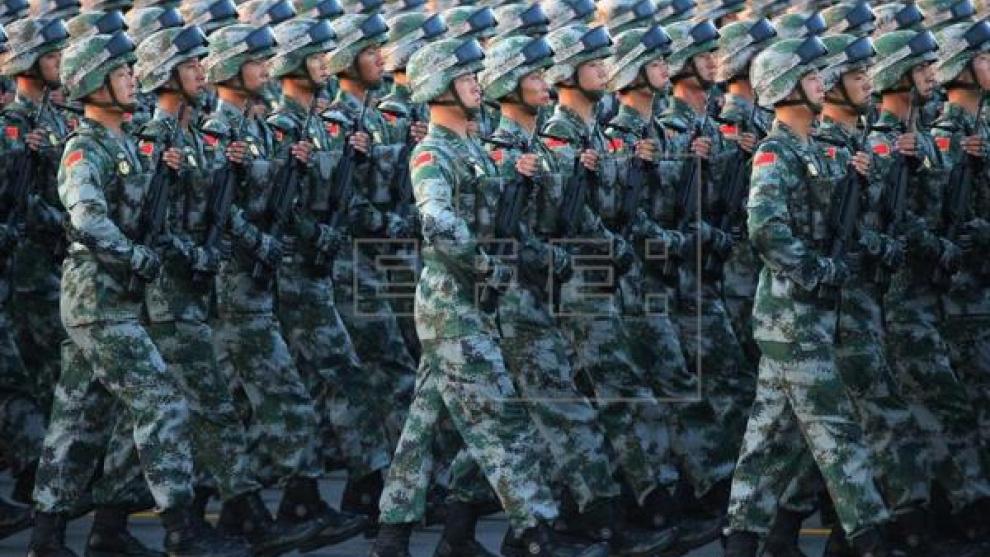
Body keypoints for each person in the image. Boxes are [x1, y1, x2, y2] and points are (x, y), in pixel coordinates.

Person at [370, 36, 609, 557]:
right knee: (502, 418)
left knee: (425, 424)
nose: (477, 85)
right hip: (453, 304)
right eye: (465, 78)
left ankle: (396, 537)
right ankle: (537, 532)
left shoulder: (474, 149)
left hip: (474, 304)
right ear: (440, 86)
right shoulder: (433, 152)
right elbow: (438, 222)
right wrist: (487, 268)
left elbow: (503, 218)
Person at [29, 30, 238, 557]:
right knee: (162, 401)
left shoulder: (126, 143)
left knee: (79, 419)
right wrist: (135, 255)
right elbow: (87, 220)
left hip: (118, 301)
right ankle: (181, 529)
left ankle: (56, 537)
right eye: (121, 74)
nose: (132, 81)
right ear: (95, 84)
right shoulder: (84, 148)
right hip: (97, 301)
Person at [721, 35, 893, 557]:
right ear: (786, 86)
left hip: (811, 315)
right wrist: (819, 271)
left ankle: (742, 538)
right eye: (812, 76)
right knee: (836, 429)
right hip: (791, 315)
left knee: (771, 435)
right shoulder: (775, 151)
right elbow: (766, 229)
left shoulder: (815, 149)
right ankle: (870, 536)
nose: (823, 83)